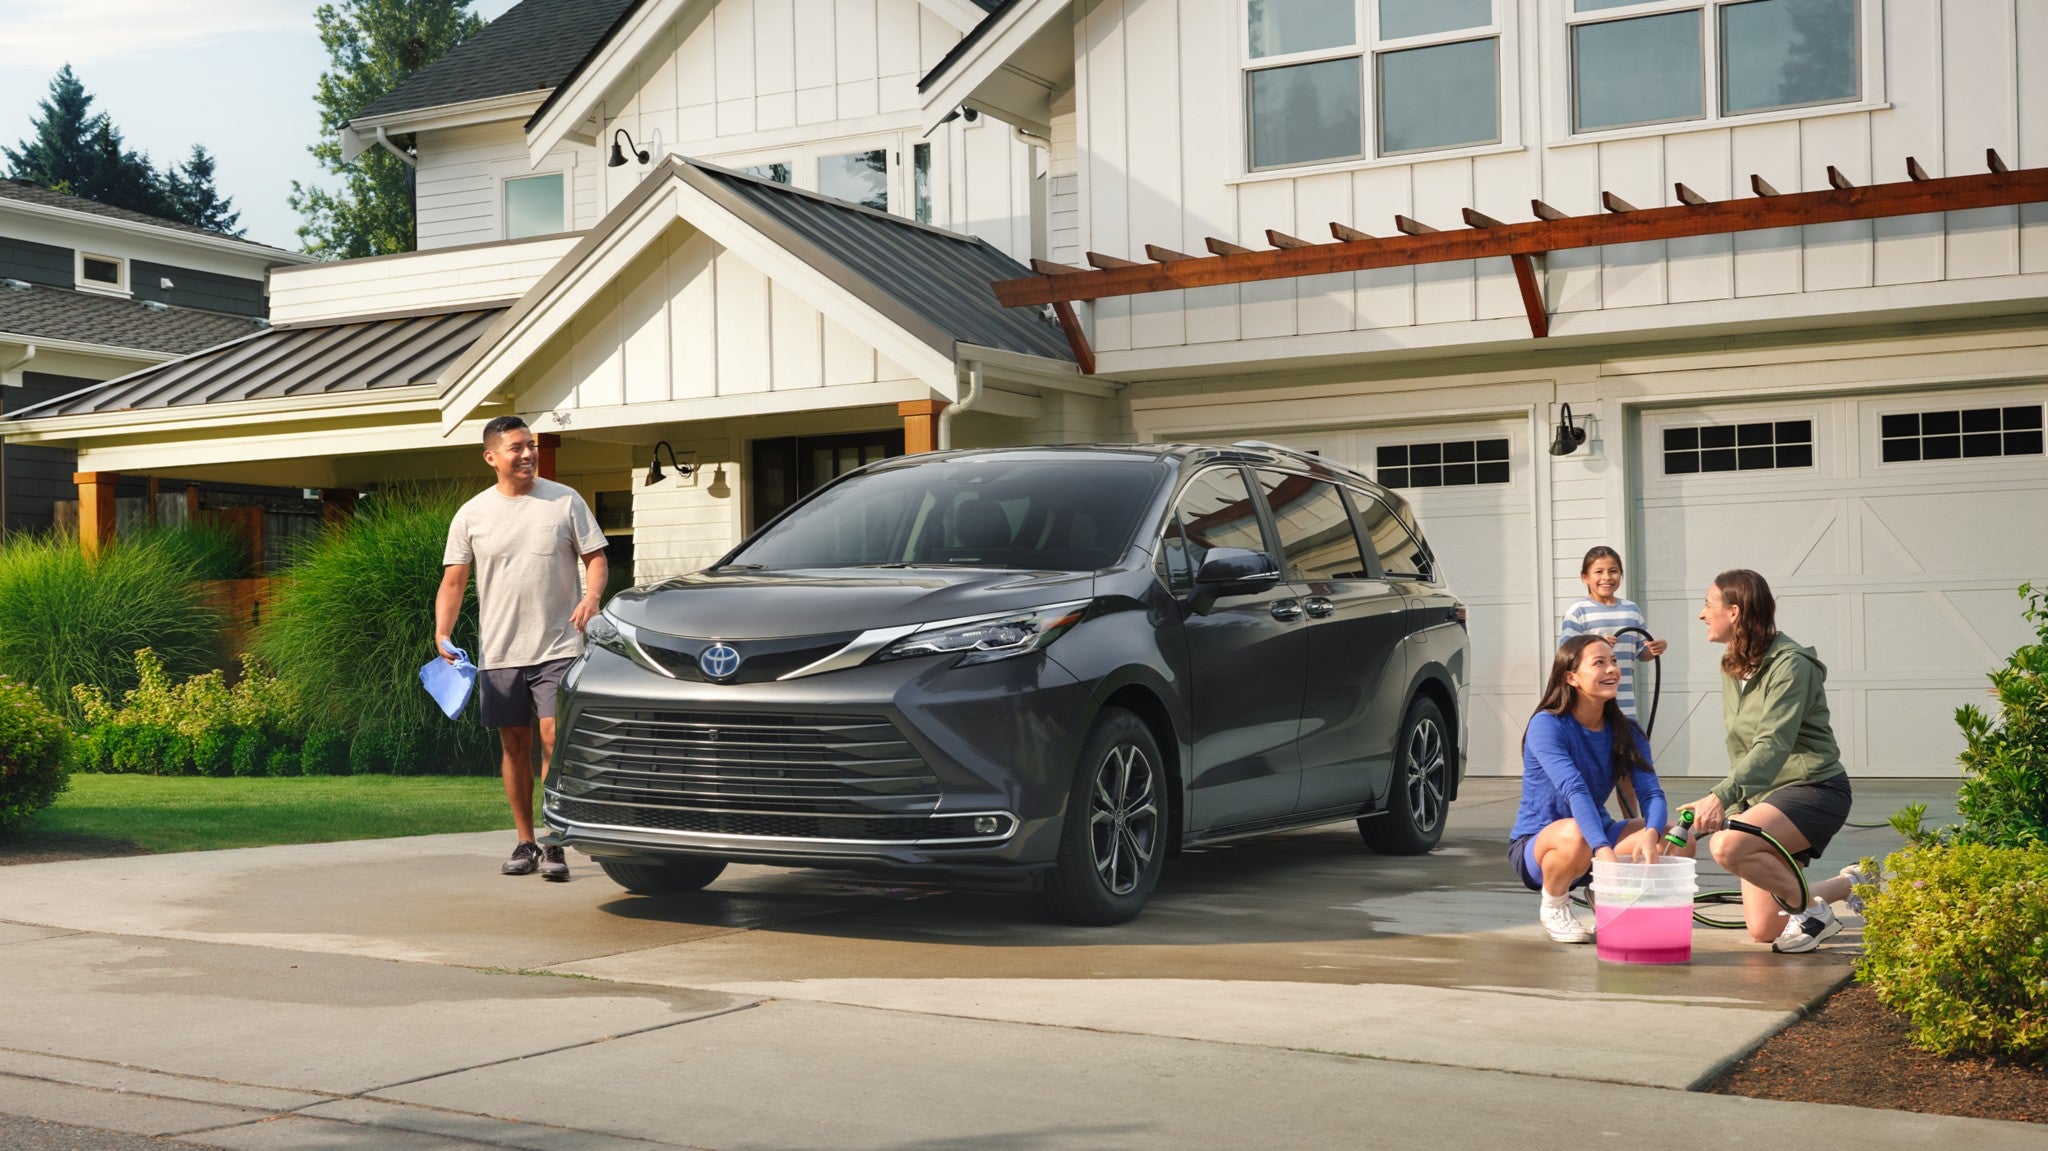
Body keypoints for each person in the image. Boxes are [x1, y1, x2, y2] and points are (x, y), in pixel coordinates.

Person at [435, 415, 609, 881]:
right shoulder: (472, 513)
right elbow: (454, 580)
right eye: (516, 447)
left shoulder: (564, 500)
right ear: (492, 457)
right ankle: (525, 841)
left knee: (554, 739)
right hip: (500, 652)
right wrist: (442, 634)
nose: (528, 453)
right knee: (515, 745)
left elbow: (595, 558)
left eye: (530, 445)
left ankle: (555, 841)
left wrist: (591, 596)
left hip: (559, 645)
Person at [1680, 569, 1865, 953]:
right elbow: (1742, 747)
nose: (1701, 614)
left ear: (1734, 611)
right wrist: (1728, 806)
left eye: (1707, 604)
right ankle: (1852, 884)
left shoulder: (1791, 664)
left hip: (1814, 789)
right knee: (1765, 928)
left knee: (1728, 847)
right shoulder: (1731, 666)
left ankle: (1814, 917)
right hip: (1765, 800)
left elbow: (1772, 744)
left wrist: (1719, 797)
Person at [1509, 634, 1674, 943]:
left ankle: (1607, 898)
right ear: (1571, 677)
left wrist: (1651, 834)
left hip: (1596, 839)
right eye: (1599, 663)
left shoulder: (1628, 731)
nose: (1611, 669)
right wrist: (1603, 850)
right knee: (1575, 833)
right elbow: (1575, 790)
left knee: (1676, 837)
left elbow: (1651, 792)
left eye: (1613, 662)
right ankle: (1554, 903)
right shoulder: (1547, 725)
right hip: (1542, 847)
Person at [1560, 546, 1667, 726]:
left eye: (1613, 571)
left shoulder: (1631, 610)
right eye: (1598, 572)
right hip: (1590, 703)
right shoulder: (1578, 611)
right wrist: (1595, 645)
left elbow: (1642, 653)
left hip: (1624, 703)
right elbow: (1566, 655)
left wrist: (1656, 648)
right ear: (1584, 577)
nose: (1607, 577)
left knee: (1623, 750)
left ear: (1621, 575)